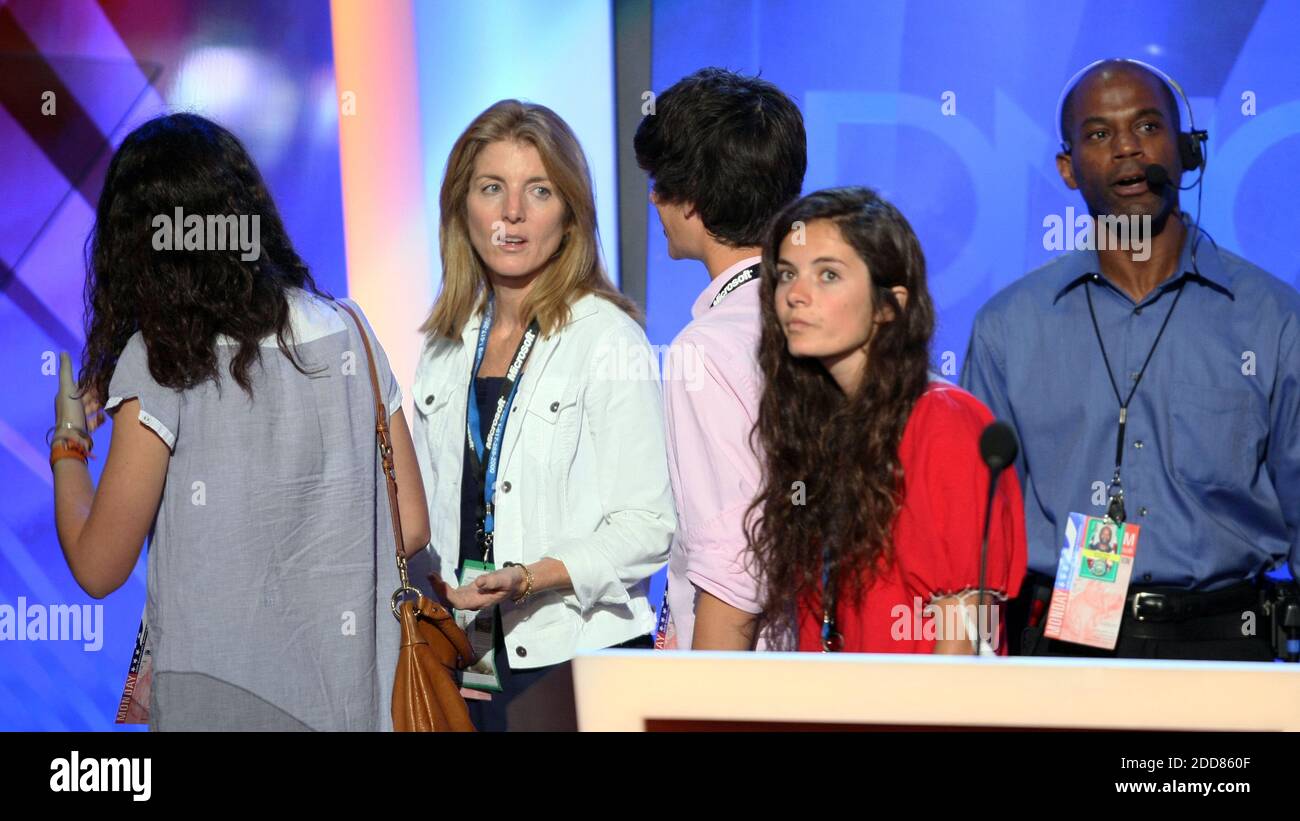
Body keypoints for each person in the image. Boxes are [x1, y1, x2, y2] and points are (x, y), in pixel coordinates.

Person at [52, 113, 428, 730]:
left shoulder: (160, 359)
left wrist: (68, 442)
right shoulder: (352, 331)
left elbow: (99, 567)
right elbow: (409, 527)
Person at [961, 59, 1300, 660]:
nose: (1125, 149)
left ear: (1186, 151)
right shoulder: (1008, 327)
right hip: (1062, 649)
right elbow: (982, 538)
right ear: (1067, 169)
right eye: (1098, 134)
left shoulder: (1273, 318)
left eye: (1147, 127)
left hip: (1227, 648)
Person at [412, 100, 675, 731]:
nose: (512, 213)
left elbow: (647, 526)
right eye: (491, 189)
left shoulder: (608, 339)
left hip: (578, 659)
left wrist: (533, 577)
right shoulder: (444, 345)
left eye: (539, 190)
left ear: (570, 212)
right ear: (461, 208)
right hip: (465, 658)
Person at [745, 186, 1027, 654]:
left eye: (828, 275)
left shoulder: (943, 422)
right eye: (786, 274)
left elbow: (962, 642)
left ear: (888, 305)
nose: (795, 294)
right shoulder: (820, 427)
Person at [633, 67, 807, 650]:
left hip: (742, 678)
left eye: (660, 182)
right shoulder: (823, 317)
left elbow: (735, 563)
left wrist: (702, 707)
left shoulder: (704, 351)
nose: (653, 199)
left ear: (692, 201)